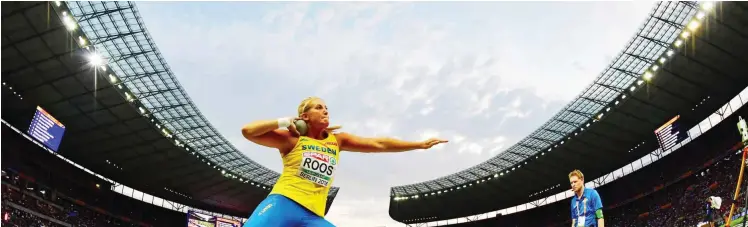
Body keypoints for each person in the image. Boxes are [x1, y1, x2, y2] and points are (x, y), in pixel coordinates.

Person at [240, 97, 448, 227]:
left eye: (326, 108)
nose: (325, 111)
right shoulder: (291, 139)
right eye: (319, 108)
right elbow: (248, 131)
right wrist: (284, 122)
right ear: (305, 116)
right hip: (283, 203)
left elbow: (379, 143)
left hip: (313, 216)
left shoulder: (337, 141)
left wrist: (418, 144)